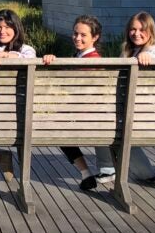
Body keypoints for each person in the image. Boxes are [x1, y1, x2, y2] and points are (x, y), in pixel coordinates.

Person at [43, 14, 116, 190]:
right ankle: (86, 174)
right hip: (92, 117)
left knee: (55, 128)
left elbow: (82, 96)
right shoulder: (82, 58)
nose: (77, 38)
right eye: (75, 33)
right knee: (56, 125)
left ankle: (85, 173)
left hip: (87, 119)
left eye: (83, 35)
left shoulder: (91, 62)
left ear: (95, 37)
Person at [0, 9, 37, 181]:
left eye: (7, 26)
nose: (2, 31)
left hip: (16, 112)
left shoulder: (26, 49)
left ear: (16, 28)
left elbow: (29, 60)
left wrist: (4, 55)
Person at [121, 11, 155, 184]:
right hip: (134, 110)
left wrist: (147, 56)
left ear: (151, 31)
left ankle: (109, 169)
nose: (136, 33)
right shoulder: (130, 51)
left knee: (112, 127)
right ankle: (145, 174)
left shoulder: (153, 52)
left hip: (149, 113)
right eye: (132, 29)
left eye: (141, 29)